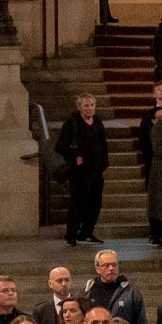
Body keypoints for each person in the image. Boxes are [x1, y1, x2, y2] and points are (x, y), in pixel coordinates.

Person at [59, 91, 112, 244]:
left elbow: (102, 143)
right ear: (80, 107)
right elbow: (61, 145)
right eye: (86, 106)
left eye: (92, 105)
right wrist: (75, 157)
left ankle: (86, 232)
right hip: (79, 171)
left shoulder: (97, 121)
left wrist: (104, 162)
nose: (89, 108)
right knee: (78, 202)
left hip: (96, 170)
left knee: (95, 202)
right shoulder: (72, 123)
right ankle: (71, 234)